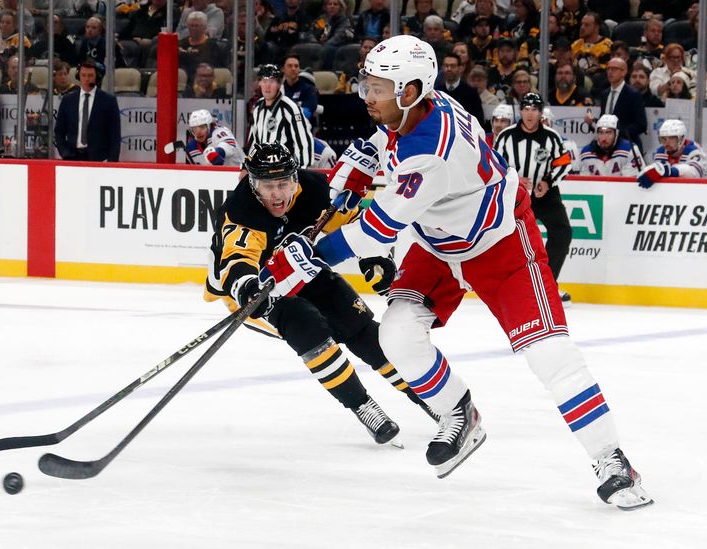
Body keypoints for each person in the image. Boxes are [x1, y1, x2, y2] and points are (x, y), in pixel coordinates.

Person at [252, 35, 652, 510]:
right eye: (367, 83)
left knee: (551, 356)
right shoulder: (423, 105)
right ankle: (458, 412)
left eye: (376, 87)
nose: (365, 95)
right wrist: (359, 163)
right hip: (438, 243)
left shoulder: (430, 155)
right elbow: (385, 137)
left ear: (409, 89)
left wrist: (311, 254)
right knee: (397, 336)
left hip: (500, 244)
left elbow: (377, 230)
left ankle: (612, 459)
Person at [204, 142, 436, 445]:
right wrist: (247, 287)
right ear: (252, 183)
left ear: (294, 179)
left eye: (283, 183)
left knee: (359, 325)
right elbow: (237, 260)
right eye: (268, 186)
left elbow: (352, 221)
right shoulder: (241, 209)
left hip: (299, 269)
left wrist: (372, 256)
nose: (277, 194)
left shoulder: (313, 190)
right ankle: (363, 406)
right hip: (253, 288)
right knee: (307, 325)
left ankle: (427, 397)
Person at [494, 92, 574, 307]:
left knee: (562, 233)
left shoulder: (551, 137)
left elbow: (565, 162)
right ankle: (507, 285)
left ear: (541, 112)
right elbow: (493, 165)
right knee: (506, 240)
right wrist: (513, 178)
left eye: (534, 109)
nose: (530, 114)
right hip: (515, 196)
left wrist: (548, 180)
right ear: (520, 111)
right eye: (526, 109)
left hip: (545, 195)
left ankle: (548, 284)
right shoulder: (506, 137)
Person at [54, 60, 121, 162]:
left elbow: (115, 135)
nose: (86, 79)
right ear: (78, 76)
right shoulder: (68, 100)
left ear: (97, 77)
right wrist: (64, 153)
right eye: (83, 75)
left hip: (99, 159)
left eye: (90, 75)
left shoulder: (108, 101)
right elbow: (59, 131)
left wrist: (111, 161)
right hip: (72, 157)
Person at [248, 64, 314, 168]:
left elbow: (303, 141)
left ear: (279, 84)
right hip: (263, 171)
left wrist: (302, 169)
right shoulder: (258, 108)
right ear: (259, 83)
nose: (267, 86)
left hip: (285, 171)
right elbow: (254, 143)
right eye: (264, 81)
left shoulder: (289, 108)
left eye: (272, 81)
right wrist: (247, 165)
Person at [590, 57, 647, 152]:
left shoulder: (633, 94)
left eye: (614, 69)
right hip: (607, 147)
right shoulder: (605, 94)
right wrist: (592, 122)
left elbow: (641, 125)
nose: (610, 72)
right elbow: (605, 120)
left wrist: (616, 133)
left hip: (627, 146)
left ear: (624, 72)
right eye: (608, 69)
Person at [637, 119, 707, 188]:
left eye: (671, 138)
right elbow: (661, 174)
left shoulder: (694, 151)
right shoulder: (661, 151)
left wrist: (668, 170)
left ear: (681, 138)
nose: (666, 143)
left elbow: (694, 173)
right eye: (663, 139)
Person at [579, 114, 644, 176]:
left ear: (616, 134)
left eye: (608, 132)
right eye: (601, 132)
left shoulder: (629, 150)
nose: (604, 138)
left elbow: (632, 183)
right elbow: (582, 184)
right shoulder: (586, 153)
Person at [435, 53, 484, 128]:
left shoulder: (471, 93)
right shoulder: (437, 92)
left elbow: (478, 120)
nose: (449, 69)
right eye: (446, 66)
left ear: (460, 68)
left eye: (453, 66)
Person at [542, 107, 581, 174]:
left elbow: (574, 174)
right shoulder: (527, 145)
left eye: (543, 121)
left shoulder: (568, 145)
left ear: (550, 123)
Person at [281, 54, 319, 123]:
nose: (293, 69)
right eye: (290, 66)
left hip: (303, 128)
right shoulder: (278, 90)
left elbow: (307, 114)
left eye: (296, 66)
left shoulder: (309, 89)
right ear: (283, 69)